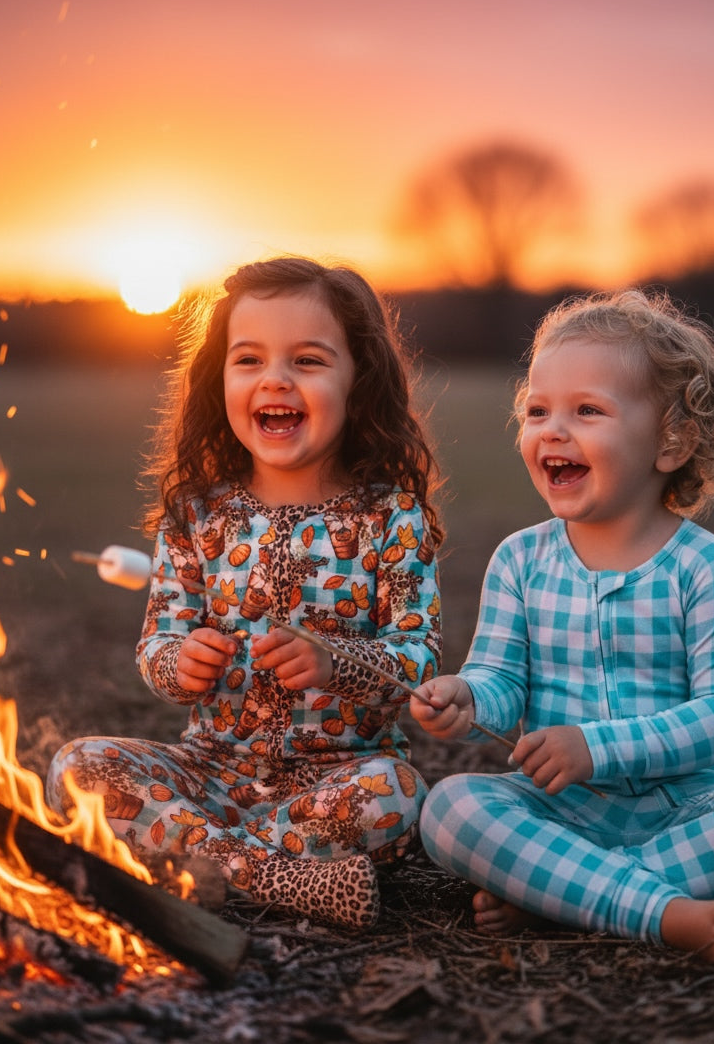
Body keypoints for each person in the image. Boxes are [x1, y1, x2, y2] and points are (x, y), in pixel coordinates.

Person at [410, 288, 714, 963]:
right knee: (450, 809)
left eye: (588, 411)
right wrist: (467, 695)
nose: (552, 429)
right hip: (556, 810)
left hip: (685, 809)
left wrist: (598, 747)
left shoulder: (703, 565)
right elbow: (499, 678)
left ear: (672, 440)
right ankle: (649, 905)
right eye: (536, 410)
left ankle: (557, 896)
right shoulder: (519, 559)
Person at [47, 254, 443, 930]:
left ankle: (196, 870)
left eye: (309, 361)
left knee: (400, 797)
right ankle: (272, 877)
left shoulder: (390, 518)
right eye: (249, 359)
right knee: (76, 768)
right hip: (209, 774)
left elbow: (419, 659)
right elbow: (157, 645)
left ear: (359, 382)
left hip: (336, 783)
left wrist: (334, 664)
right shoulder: (196, 516)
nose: (276, 380)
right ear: (219, 380)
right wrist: (182, 660)